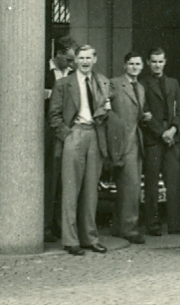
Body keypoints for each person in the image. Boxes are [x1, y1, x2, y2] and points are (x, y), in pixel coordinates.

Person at [48, 44, 111, 256]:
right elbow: (54, 115)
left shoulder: (101, 81)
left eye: (88, 58)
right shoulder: (63, 84)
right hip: (74, 133)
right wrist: (67, 135)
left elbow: (106, 109)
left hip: (95, 134)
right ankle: (70, 239)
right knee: (70, 189)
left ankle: (90, 238)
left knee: (91, 191)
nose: (84, 61)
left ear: (95, 59)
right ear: (75, 60)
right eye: (80, 58)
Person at [140, 47, 180, 236]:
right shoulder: (142, 84)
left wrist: (173, 129)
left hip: (172, 137)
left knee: (174, 180)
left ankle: (176, 223)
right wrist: (162, 133)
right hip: (154, 138)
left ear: (165, 62)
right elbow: (143, 112)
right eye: (154, 61)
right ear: (148, 63)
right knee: (151, 183)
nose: (157, 65)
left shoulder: (173, 83)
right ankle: (152, 223)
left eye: (160, 61)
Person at [106, 51, 149, 244]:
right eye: (131, 64)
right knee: (129, 185)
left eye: (137, 64)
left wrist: (144, 116)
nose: (134, 67)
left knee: (130, 185)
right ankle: (129, 228)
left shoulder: (140, 87)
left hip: (135, 139)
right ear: (125, 66)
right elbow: (105, 105)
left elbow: (136, 112)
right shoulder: (114, 83)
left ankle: (119, 225)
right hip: (120, 139)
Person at [44, 36, 76, 243]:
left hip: (70, 132)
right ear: (59, 54)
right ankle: (45, 225)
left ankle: (58, 225)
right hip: (49, 133)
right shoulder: (44, 72)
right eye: (70, 59)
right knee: (50, 180)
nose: (73, 63)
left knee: (65, 183)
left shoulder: (73, 74)